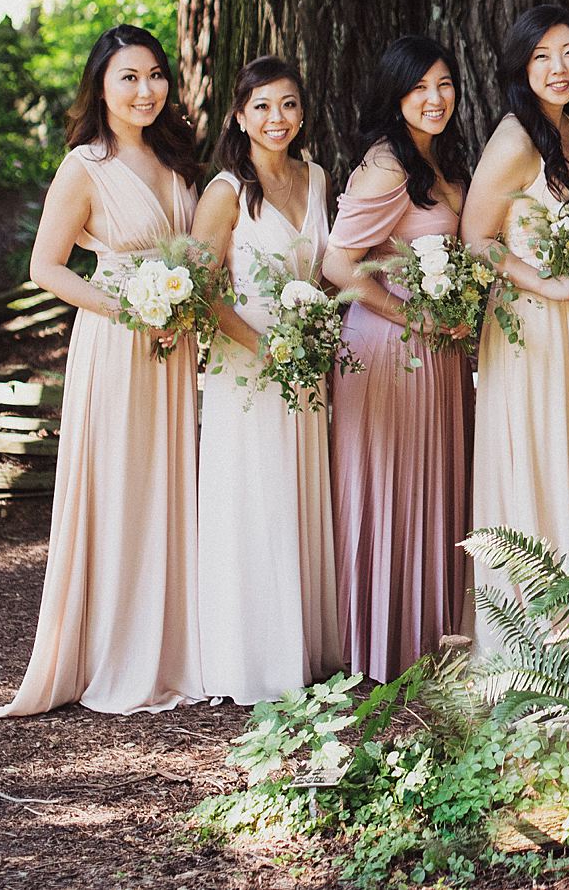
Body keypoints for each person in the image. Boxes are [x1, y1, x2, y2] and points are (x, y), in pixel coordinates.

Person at [0, 24, 206, 717]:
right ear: (101, 87)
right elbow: (47, 267)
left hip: (176, 343)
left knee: (172, 484)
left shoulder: (178, 157)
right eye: (128, 78)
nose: (145, 90)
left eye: (154, 75)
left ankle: (174, 645)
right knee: (122, 484)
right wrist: (127, 307)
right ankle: (115, 649)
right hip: (118, 342)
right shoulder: (86, 165)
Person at [191, 56, 343, 702]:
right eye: (261, 106)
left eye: (287, 105)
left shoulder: (318, 178)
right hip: (247, 367)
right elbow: (200, 290)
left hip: (302, 364)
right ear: (239, 116)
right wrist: (265, 346)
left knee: (298, 492)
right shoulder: (226, 190)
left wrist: (314, 337)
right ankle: (250, 658)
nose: (276, 118)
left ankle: (302, 646)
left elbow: (327, 269)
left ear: (302, 112)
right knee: (256, 496)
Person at [321, 35, 471, 682]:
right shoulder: (386, 164)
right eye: (419, 89)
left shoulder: (435, 156)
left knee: (431, 479)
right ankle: (379, 642)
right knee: (389, 484)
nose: (434, 99)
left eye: (443, 85)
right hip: (389, 343)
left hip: (435, 344)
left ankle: (427, 635)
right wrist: (414, 316)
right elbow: (337, 264)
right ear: (395, 96)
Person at [464, 5, 569, 663]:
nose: (559, 67)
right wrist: (546, 284)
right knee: (536, 459)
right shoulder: (515, 138)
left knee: (568, 456)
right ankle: (530, 634)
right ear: (523, 65)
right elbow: (476, 237)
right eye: (544, 55)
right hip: (527, 322)